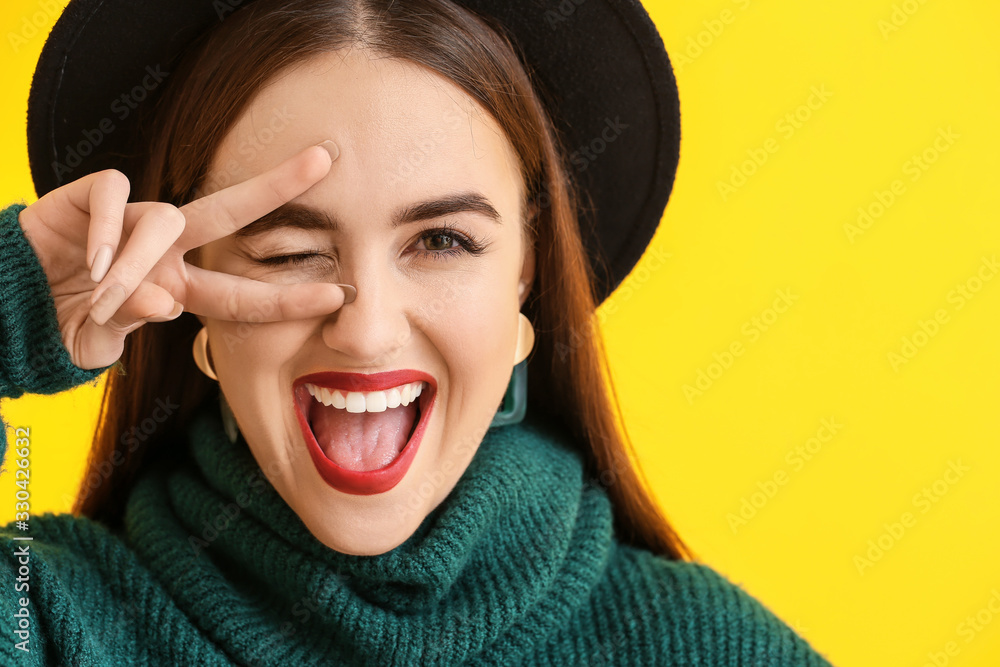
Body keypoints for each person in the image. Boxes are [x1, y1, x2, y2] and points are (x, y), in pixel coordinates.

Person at [0, 0, 836, 664]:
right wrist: (9, 307)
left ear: (526, 280)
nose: (365, 331)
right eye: (289, 251)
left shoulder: (706, 647)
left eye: (441, 242)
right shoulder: (47, 624)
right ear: (195, 300)